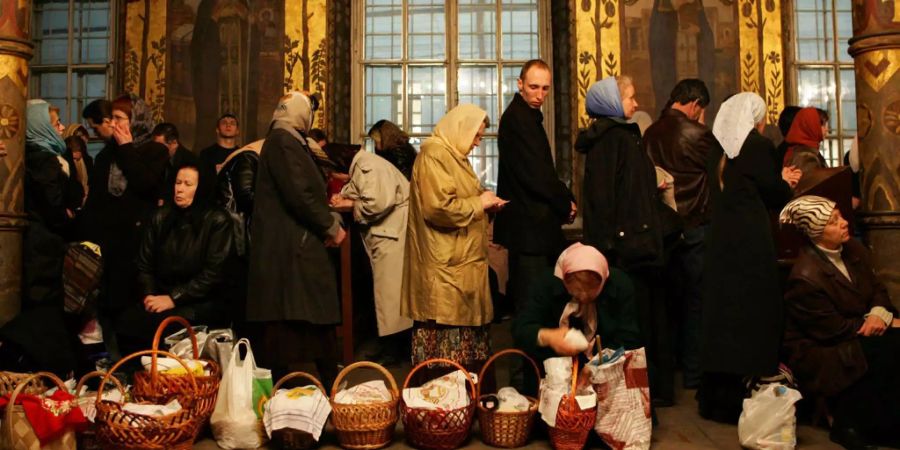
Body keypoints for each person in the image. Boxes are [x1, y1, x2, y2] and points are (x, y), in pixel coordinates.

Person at [698, 92, 802, 423]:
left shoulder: (716, 148)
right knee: (753, 314)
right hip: (751, 243)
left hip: (720, 241)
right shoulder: (757, 146)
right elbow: (773, 193)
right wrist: (785, 182)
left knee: (724, 315)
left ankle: (717, 399)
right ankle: (750, 397)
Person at [576, 75, 673, 405]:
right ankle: (631, 404)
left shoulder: (617, 137)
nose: (636, 103)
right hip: (627, 252)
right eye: (630, 97)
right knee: (628, 332)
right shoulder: (614, 140)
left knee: (633, 329)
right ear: (613, 103)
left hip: (628, 247)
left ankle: (635, 402)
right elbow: (605, 200)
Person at [779, 196, 900, 449]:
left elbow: (878, 289)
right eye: (834, 222)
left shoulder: (853, 249)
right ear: (816, 233)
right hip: (821, 351)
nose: (844, 223)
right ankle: (856, 425)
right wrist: (881, 323)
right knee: (887, 348)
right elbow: (833, 330)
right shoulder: (805, 276)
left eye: (841, 217)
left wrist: (879, 312)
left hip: (856, 329)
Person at [246, 92, 347, 387]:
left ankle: (318, 389)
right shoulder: (284, 142)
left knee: (305, 324)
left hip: (293, 247)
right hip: (292, 250)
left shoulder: (286, 140)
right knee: (301, 323)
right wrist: (330, 226)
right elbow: (300, 194)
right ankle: (308, 394)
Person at [402, 104, 506, 376]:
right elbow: (438, 208)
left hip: (461, 266)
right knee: (444, 359)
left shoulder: (454, 156)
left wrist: (486, 202)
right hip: (445, 269)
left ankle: (467, 407)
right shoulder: (434, 155)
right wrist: (479, 202)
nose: (477, 142)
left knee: (469, 354)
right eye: (476, 135)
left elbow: (460, 196)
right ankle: (445, 412)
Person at [643, 79, 718, 390]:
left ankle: (667, 370)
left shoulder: (650, 133)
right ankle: (693, 374)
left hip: (662, 228)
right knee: (696, 302)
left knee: (666, 302)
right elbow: (719, 175)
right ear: (695, 104)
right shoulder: (698, 134)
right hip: (695, 226)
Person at [80, 96, 169, 353]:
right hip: (107, 246)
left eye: (120, 118)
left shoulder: (155, 151)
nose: (114, 123)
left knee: (133, 316)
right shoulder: (107, 153)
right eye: (113, 118)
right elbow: (97, 201)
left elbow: (145, 184)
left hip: (137, 246)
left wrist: (127, 147)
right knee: (107, 311)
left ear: (136, 120)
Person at [116, 161, 233, 354]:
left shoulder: (217, 221)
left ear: (200, 187)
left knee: (163, 327)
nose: (180, 189)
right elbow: (144, 264)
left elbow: (213, 274)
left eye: (188, 184)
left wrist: (173, 298)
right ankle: (138, 379)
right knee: (128, 322)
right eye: (178, 183)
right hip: (161, 296)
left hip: (198, 302)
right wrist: (149, 295)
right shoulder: (161, 217)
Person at [494, 59, 576, 315]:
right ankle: (531, 357)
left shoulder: (526, 117)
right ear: (520, 84)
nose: (540, 95)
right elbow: (537, 176)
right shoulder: (519, 119)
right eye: (534, 87)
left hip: (532, 229)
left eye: (545, 88)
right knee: (534, 309)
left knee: (539, 307)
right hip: (529, 231)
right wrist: (565, 202)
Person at [512, 242, 641, 395]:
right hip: (554, 372)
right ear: (565, 280)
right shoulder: (545, 285)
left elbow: (629, 337)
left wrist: (595, 366)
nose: (584, 296)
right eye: (578, 290)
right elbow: (520, 329)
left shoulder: (619, 285)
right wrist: (548, 336)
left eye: (592, 289)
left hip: (608, 371)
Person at [330, 144, 414, 365]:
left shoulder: (367, 165)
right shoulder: (364, 164)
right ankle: (394, 349)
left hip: (392, 234)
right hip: (389, 234)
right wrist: (344, 196)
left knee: (391, 299)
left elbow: (377, 203)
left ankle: (395, 352)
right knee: (389, 298)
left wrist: (351, 203)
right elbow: (360, 188)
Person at [152, 122, 193, 206]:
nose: (156, 149)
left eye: (160, 146)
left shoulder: (189, 161)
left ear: (174, 143)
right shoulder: (154, 156)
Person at [783, 107, 827, 174]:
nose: (826, 129)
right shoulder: (806, 158)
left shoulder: (803, 151)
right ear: (810, 126)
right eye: (822, 125)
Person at [63, 136, 91, 209]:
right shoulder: (63, 166)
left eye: (78, 159)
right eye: (73, 159)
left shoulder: (86, 161)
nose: (75, 162)